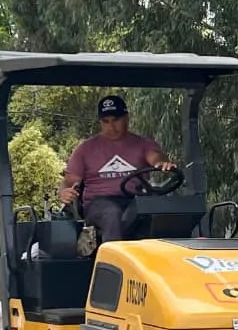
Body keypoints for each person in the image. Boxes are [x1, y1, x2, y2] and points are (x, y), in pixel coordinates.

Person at [58, 94, 176, 241]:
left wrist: (161, 163)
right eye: (106, 121)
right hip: (98, 203)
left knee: (162, 212)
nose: (111, 127)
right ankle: (111, 260)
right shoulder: (85, 149)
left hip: (135, 200)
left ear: (126, 118)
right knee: (112, 213)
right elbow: (69, 182)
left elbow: (155, 157)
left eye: (116, 120)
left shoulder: (143, 144)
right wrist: (63, 191)